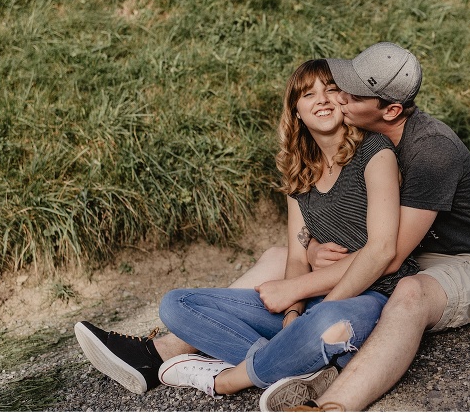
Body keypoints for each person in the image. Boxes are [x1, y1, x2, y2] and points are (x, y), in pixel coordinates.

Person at [74, 59, 419, 405]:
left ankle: (232, 376)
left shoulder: (374, 152)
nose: (323, 99)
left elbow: (382, 250)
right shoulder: (299, 172)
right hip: (314, 300)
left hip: (370, 297)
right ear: (296, 112)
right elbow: (297, 258)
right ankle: (297, 367)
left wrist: (311, 314)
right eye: (309, 94)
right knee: (176, 304)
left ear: (344, 100)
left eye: (331, 90)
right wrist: (293, 314)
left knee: (325, 322)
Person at [257, 41, 470, 411]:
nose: (338, 97)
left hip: (468, 261)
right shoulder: (363, 144)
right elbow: (345, 224)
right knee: (276, 257)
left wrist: (301, 295)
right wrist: (310, 250)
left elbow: (387, 256)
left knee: (409, 293)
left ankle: (333, 403)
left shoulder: (431, 151)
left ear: (391, 110)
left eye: (352, 94)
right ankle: (178, 348)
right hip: (412, 253)